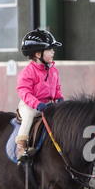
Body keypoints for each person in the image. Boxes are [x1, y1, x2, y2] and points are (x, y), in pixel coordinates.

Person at [16, 29, 64, 162]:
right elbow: (24, 91)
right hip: (29, 105)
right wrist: (37, 104)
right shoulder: (27, 72)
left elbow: (57, 88)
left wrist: (59, 99)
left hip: (48, 104)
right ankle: (21, 147)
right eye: (50, 49)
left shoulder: (53, 70)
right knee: (29, 116)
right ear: (38, 54)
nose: (53, 52)